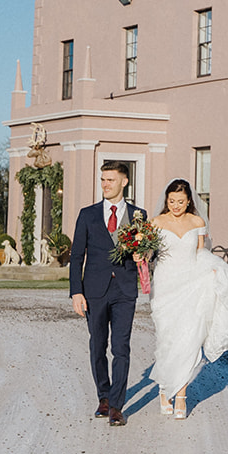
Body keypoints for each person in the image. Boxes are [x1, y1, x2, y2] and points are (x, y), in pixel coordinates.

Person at [149, 178, 228, 420]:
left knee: (189, 339)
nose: (175, 205)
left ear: (189, 200)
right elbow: (149, 252)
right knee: (167, 339)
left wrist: (213, 270)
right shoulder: (157, 222)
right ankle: (164, 390)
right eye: (171, 201)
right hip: (166, 285)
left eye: (180, 201)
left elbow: (201, 252)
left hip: (192, 283)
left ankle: (180, 395)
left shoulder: (197, 221)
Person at [70, 161, 142, 427]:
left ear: (124, 181)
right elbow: (77, 257)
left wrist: (143, 254)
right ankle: (103, 394)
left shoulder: (139, 216)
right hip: (95, 291)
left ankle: (116, 405)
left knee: (121, 348)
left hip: (124, 290)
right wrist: (76, 292)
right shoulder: (87, 215)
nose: (105, 184)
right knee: (97, 346)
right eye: (102, 179)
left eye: (111, 180)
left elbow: (149, 252)